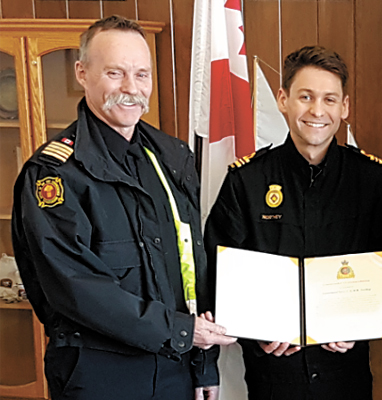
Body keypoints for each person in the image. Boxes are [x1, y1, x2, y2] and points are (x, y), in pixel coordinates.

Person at [11, 15, 236, 400]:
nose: (131, 88)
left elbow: (190, 266)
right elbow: (77, 289)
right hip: (101, 374)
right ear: (82, 72)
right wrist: (181, 331)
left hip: (174, 366)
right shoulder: (54, 175)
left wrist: (203, 365)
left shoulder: (171, 157)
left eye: (142, 74)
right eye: (115, 73)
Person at [204, 45, 382, 400]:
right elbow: (218, 271)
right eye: (306, 97)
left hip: (345, 376)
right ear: (283, 99)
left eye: (330, 99)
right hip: (272, 376)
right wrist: (256, 334)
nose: (317, 111)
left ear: (344, 107)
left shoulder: (371, 180)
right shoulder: (247, 181)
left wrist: (364, 322)